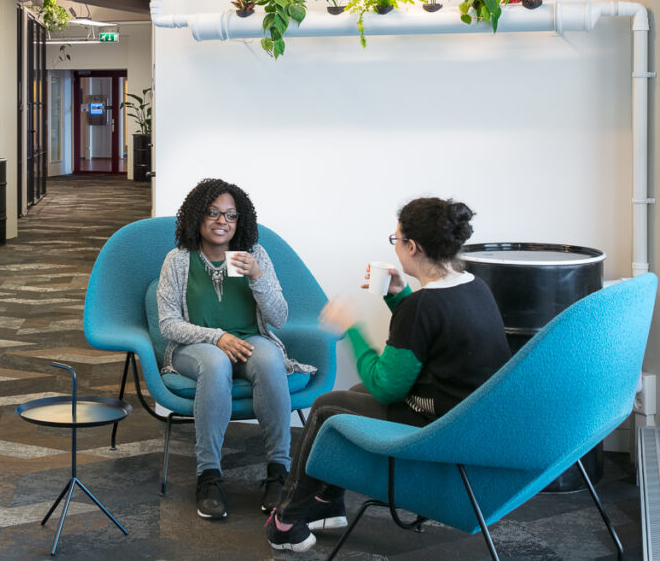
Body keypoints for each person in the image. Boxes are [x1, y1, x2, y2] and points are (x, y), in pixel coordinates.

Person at [265, 197, 510, 553]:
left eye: (396, 240)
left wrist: (351, 328)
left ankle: (285, 522)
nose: (395, 248)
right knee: (353, 392)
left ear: (413, 247)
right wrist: (399, 296)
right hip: (468, 412)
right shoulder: (474, 286)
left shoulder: (422, 306)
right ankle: (327, 502)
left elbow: (386, 387)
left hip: (440, 425)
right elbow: (429, 339)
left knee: (325, 407)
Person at [157, 178, 316, 520]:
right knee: (215, 363)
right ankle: (209, 476)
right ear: (197, 217)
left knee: (271, 359)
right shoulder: (179, 260)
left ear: (240, 221)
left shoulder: (254, 255)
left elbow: (279, 317)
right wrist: (216, 337)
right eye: (213, 213)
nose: (221, 222)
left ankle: (278, 472)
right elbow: (168, 324)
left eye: (230, 215)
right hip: (195, 347)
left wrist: (257, 276)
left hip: (249, 339)